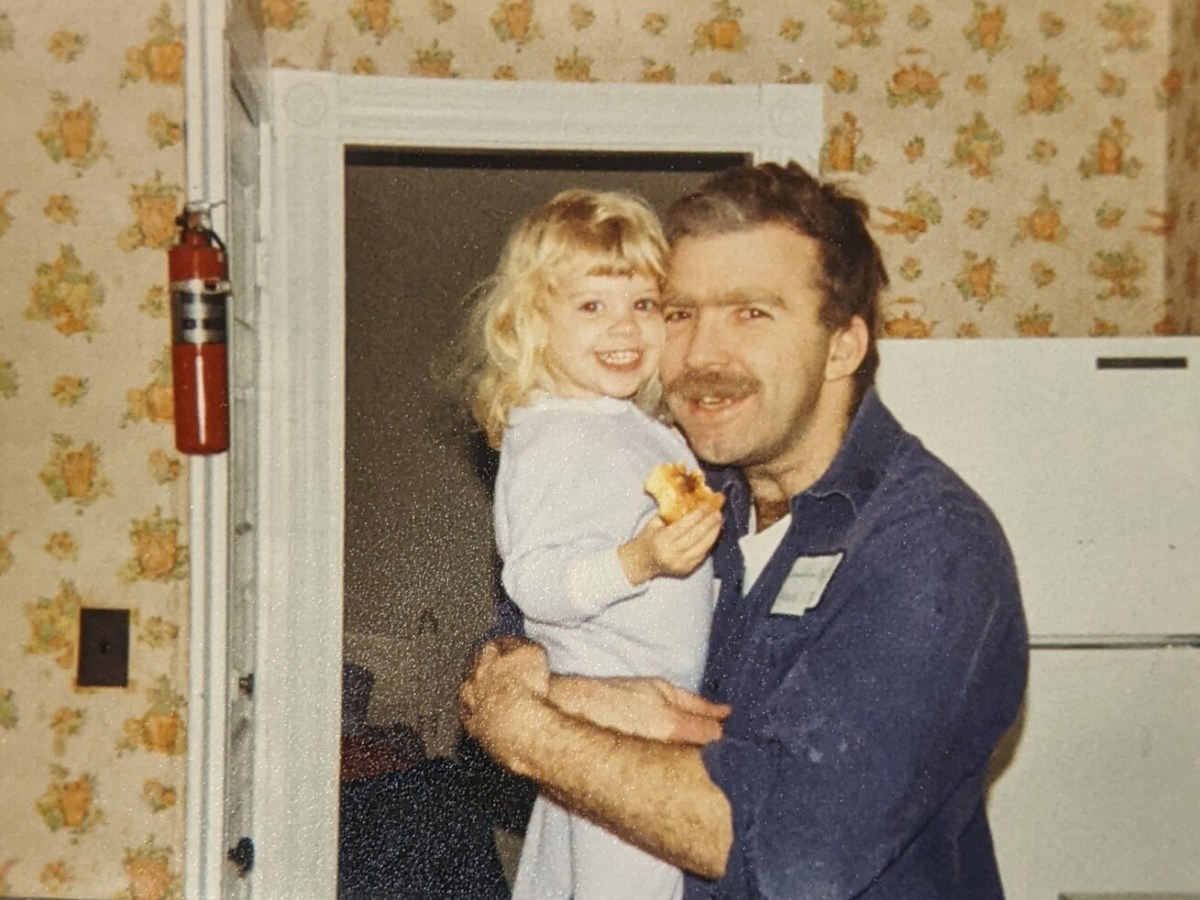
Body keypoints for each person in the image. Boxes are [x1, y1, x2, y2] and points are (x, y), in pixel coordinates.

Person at [459, 162, 1030, 899]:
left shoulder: (928, 547)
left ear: (842, 346)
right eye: (680, 313)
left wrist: (529, 728)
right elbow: (515, 639)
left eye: (751, 314)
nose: (701, 356)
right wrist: (581, 696)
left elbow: (792, 848)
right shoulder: (691, 490)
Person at [456, 188, 725, 899]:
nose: (624, 327)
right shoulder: (554, 431)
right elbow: (534, 584)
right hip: (615, 721)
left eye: (644, 304)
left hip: (635, 716)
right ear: (534, 324)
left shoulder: (633, 425)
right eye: (591, 305)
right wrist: (641, 561)